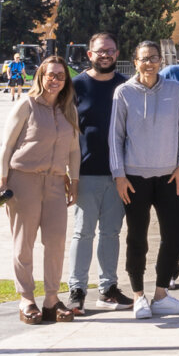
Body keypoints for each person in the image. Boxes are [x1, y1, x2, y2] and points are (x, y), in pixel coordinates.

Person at [0, 56, 80, 324]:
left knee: (55, 243)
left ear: (66, 81)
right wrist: (1, 180)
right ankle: (27, 298)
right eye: (50, 74)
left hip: (55, 183)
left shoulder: (68, 110)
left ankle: (52, 299)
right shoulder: (26, 105)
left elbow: (75, 150)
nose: (55, 80)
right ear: (40, 76)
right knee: (24, 244)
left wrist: (74, 181)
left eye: (60, 76)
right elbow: (6, 147)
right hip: (23, 181)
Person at [109, 41, 179, 319]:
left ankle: (160, 293)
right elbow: (115, 136)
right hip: (135, 176)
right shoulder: (123, 92)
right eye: (144, 59)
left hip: (169, 175)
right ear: (135, 62)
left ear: (161, 60)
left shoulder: (174, 89)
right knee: (136, 236)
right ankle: (137, 294)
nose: (150, 63)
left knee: (173, 234)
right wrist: (119, 175)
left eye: (154, 58)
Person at [65, 33, 132, 313]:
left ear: (117, 54)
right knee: (83, 233)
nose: (106, 55)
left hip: (119, 174)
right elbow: (66, 131)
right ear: (89, 54)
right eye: (100, 51)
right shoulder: (77, 85)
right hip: (86, 173)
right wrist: (70, 174)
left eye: (111, 51)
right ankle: (77, 288)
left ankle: (108, 288)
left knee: (111, 233)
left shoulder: (126, 86)